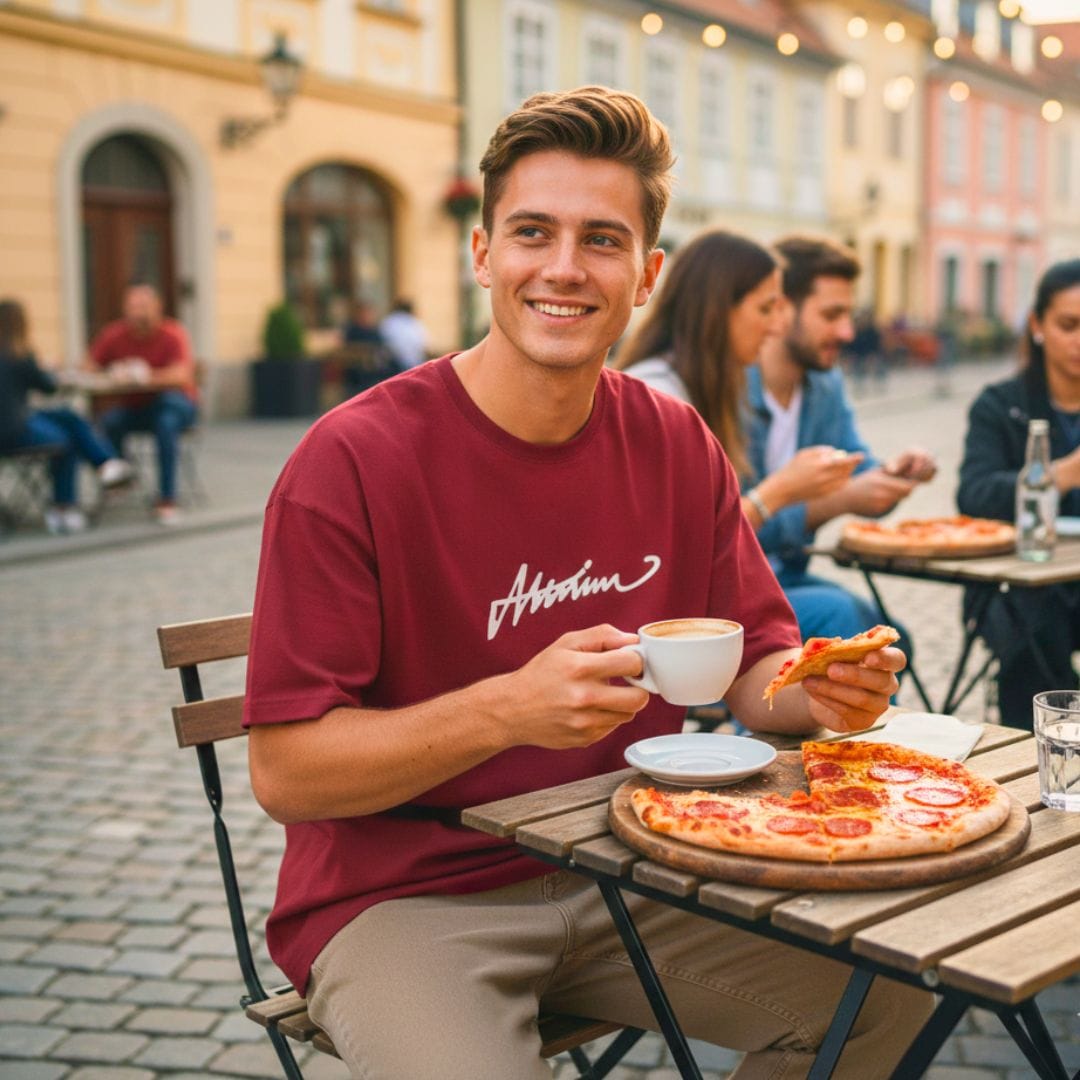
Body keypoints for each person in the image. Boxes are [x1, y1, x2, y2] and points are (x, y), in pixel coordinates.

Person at [243, 87, 931, 1079]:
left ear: (647, 275)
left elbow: (756, 668)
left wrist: (817, 693)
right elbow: (286, 773)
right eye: (533, 232)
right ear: (483, 254)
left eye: (602, 240)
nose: (564, 267)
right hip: (401, 900)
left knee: (885, 1002)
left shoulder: (675, 441)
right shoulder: (352, 457)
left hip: (626, 861)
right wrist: (505, 710)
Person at [613, 229, 860, 542]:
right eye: (765, 309)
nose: (777, 326)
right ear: (718, 310)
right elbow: (679, 541)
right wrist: (780, 491)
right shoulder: (656, 398)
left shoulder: (711, 385)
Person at [750, 235, 937, 645]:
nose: (848, 331)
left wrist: (893, 472)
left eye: (848, 314)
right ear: (780, 309)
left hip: (785, 577)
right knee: (847, 622)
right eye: (831, 315)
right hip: (722, 594)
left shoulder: (824, 383)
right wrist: (838, 501)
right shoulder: (726, 387)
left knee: (895, 638)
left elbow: (856, 465)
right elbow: (728, 531)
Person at [957, 258, 1080, 728]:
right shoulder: (1000, 404)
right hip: (1014, 584)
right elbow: (974, 493)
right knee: (1034, 625)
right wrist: (1061, 474)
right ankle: (1037, 751)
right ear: (1037, 325)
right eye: (1068, 325)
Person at [0, 299, 133, 534]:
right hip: (14, 433)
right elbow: (48, 387)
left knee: (66, 415)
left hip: (14, 423)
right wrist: (49, 369)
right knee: (67, 438)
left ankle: (107, 464)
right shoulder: (20, 355)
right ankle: (64, 507)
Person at [87, 283, 198, 525]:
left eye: (144, 307)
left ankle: (167, 498)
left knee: (166, 421)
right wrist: (113, 373)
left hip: (174, 405)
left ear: (158, 307)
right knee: (109, 421)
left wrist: (145, 376)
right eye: (134, 307)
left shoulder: (173, 333)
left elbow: (182, 375)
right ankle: (122, 479)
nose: (139, 314)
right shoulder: (114, 334)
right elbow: (88, 366)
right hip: (136, 406)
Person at [379, 297, 429, 369]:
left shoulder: (389, 321)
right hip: (412, 364)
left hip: (395, 364)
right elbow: (423, 344)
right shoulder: (415, 323)